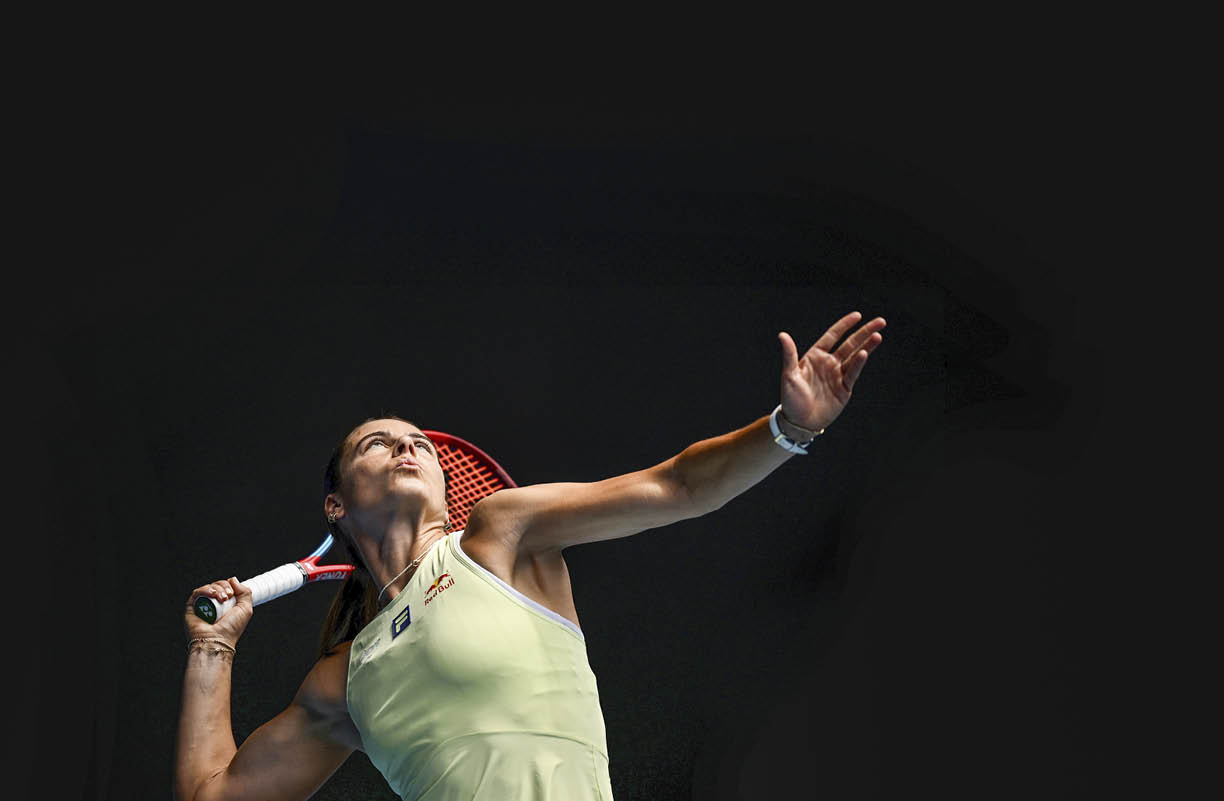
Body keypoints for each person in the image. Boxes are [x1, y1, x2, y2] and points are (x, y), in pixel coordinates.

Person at [173, 311, 886, 801]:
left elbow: (677, 484)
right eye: (377, 443)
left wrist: (788, 429)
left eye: (419, 442)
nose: (407, 446)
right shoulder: (344, 680)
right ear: (336, 506)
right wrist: (213, 647)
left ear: (447, 483)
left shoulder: (498, 535)